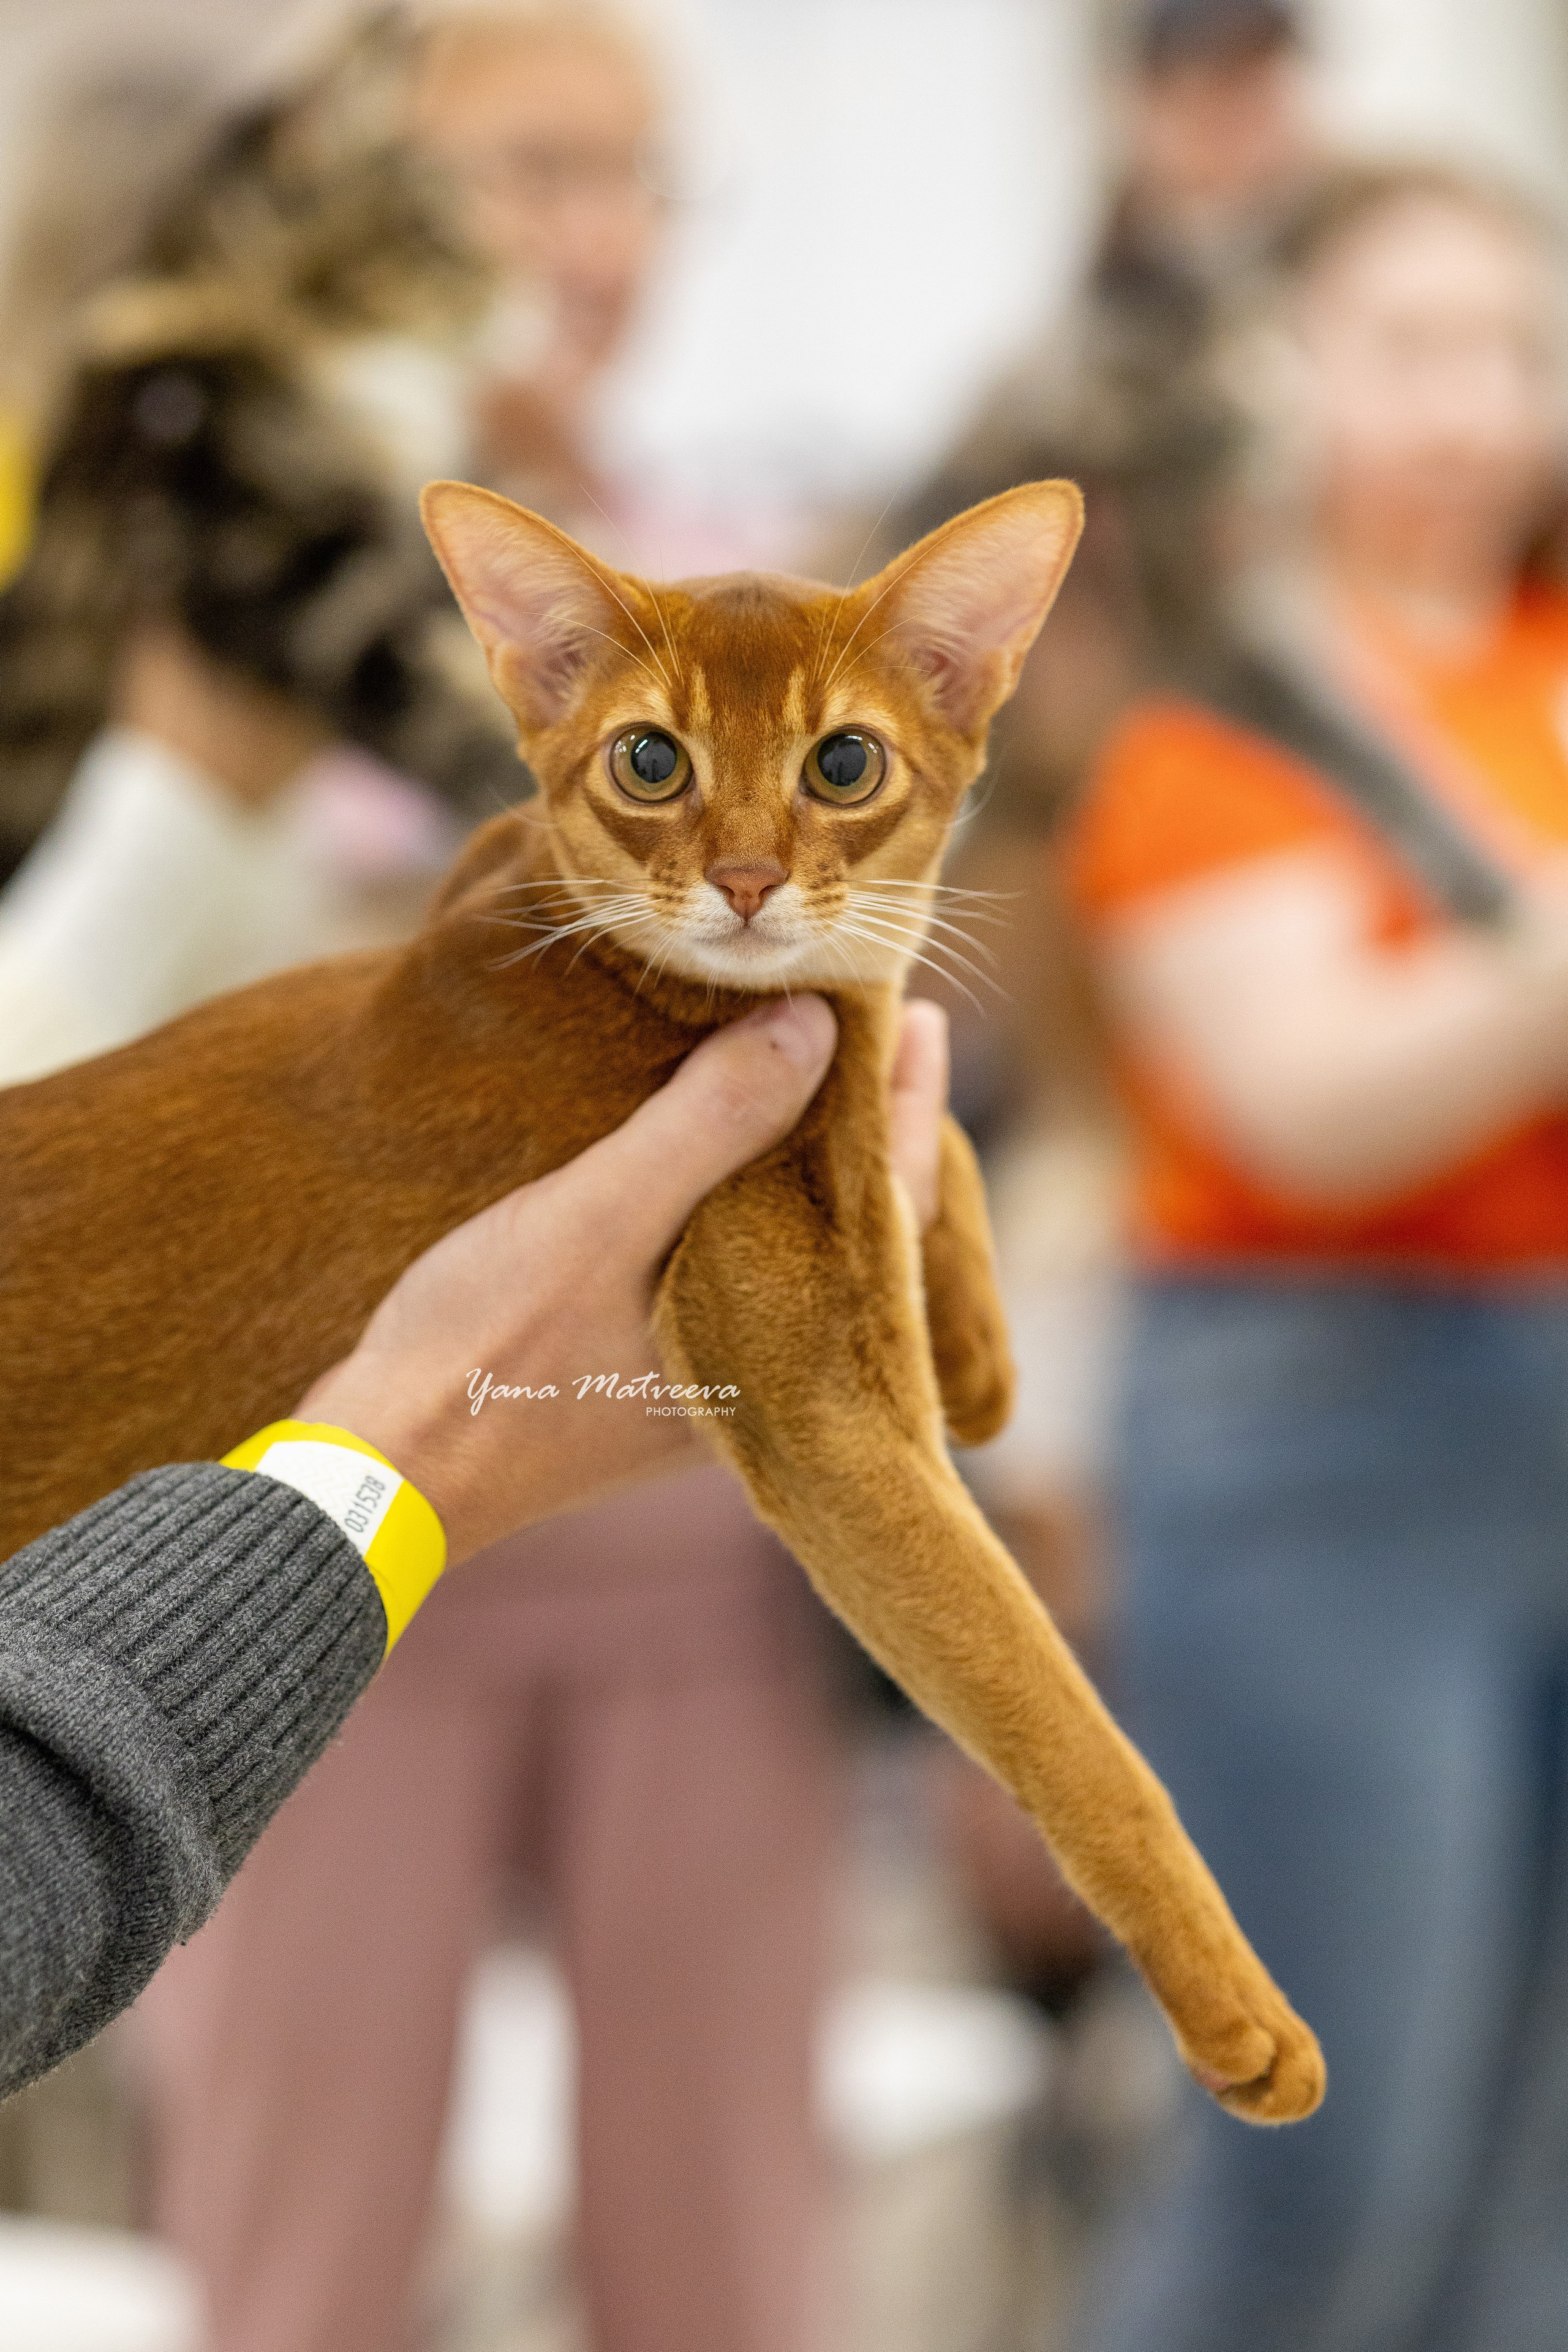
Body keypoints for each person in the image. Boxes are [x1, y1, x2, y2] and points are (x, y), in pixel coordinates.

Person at [1063, 162, 1568, 2352]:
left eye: (1519, 351)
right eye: (1410, 350)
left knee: (1531, 2223)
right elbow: (1319, 1108)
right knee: (1316, 2185)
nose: (1476, 410)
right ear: (1270, 383)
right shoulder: (1211, 720)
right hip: (1319, 1446)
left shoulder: (1537, 667)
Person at [0, 993, 943, 2099]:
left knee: (707, 2108)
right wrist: (403, 1448)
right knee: (309, 2108)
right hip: (323, 1531)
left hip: (683, 1551)